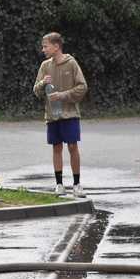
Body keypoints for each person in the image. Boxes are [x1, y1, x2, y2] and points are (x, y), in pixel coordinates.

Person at [33, 32, 88, 198]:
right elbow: (36, 91)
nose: (43, 49)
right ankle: (59, 184)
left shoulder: (71, 63)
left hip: (70, 114)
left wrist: (63, 95)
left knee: (72, 147)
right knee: (56, 148)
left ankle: (77, 185)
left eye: (46, 46)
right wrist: (43, 83)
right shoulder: (44, 66)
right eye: (43, 47)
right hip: (52, 115)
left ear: (56, 46)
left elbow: (82, 87)